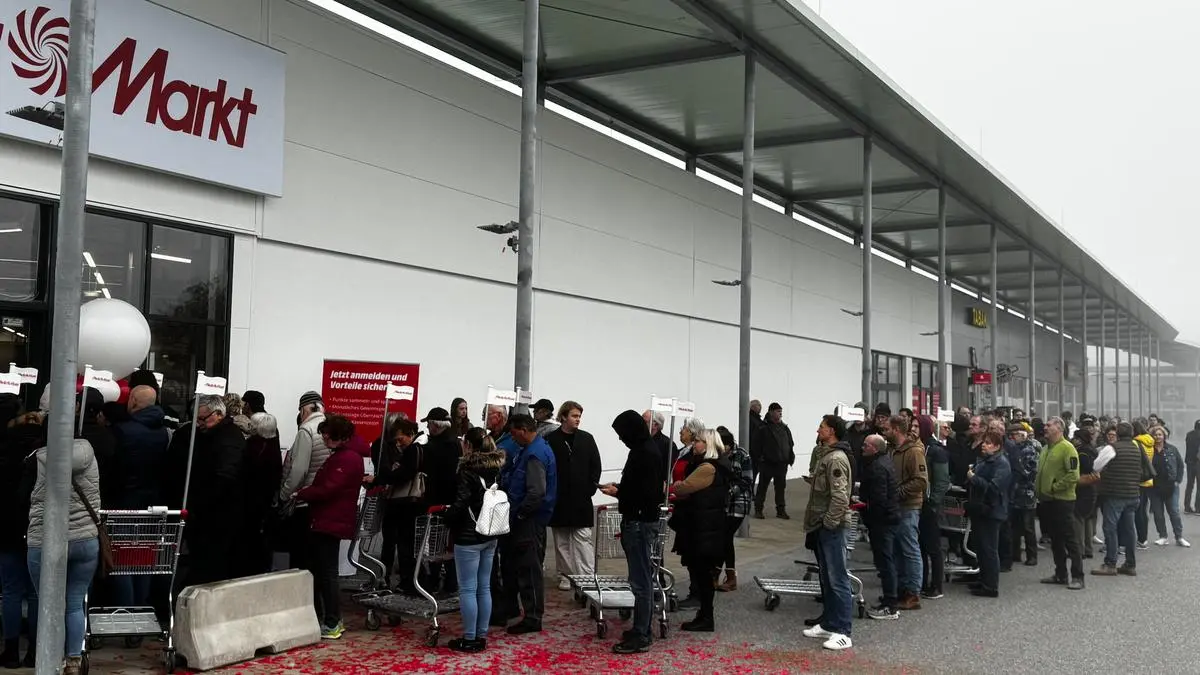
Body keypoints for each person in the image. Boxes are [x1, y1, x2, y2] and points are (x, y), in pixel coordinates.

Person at [25, 430, 102, 675]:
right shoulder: (89, 453)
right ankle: (73, 661)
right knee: (74, 603)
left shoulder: (36, 460)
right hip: (85, 540)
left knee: (48, 603)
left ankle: (50, 659)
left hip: (45, 540)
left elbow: (22, 498)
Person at [601, 410, 668, 655]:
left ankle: (642, 633)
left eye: (621, 434)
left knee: (641, 582)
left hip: (639, 522)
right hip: (639, 520)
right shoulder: (645, 450)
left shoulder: (645, 453)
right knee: (640, 580)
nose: (620, 439)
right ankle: (640, 629)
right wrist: (621, 488)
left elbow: (646, 493)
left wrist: (619, 493)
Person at [295, 414, 363, 640]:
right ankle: (330, 619)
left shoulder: (346, 458)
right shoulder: (345, 456)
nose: (323, 436)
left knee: (327, 573)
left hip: (328, 521)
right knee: (326, 571)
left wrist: (301, 493)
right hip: (330, 519)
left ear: (338, 435)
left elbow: (327, 489)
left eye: (326, 433)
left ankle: (332, 621)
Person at [445, 428, 507, 653]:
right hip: (491, 533)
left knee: (468, 588)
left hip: (469, 535)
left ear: (469, 446)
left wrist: (447, 517)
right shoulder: (496, 470)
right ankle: (481, 634)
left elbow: (461, 503)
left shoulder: (467, 471)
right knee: (484, 586)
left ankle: (469, 637)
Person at [495, 414, 558, 635]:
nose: (513, 439)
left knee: (529, 568)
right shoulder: (534, 449)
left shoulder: (534, 454)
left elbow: (536, 492)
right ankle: (517, 608)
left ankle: (532, 616)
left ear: (523, 429)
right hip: (526, 518)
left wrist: (520, 514)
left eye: (513, 434)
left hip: (529, 521)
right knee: (518, 565)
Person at [110, 384, 170, 608]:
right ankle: (142, 608)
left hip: (125, 503)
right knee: (144, 559)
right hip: (153, 504)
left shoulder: (122, 430)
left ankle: (126, 610)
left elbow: (117, 469)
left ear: (133, 401)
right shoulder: (165, 433)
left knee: (123, 560)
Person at [178, 395, 246, 586]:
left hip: (217, 515)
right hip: (210, 512)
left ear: (218, 415)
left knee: (210, 566)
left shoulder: (228, 439)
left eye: (202, 419)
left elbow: (224, 478)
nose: (198, 424)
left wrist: (201, 505)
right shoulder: (211, 436)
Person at [801, 415, 854, 651]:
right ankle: (829, 623)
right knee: (827, 578)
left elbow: (840, 497)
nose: (818, 430)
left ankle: (843, 630)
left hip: (832, 526)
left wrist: (830, 523)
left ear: (831, 431)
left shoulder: (836, 459)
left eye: (821, 427)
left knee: (838, 578)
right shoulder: (826, 455)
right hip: (822, 525)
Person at [669, 429, 730, 632]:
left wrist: (679, 485)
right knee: (701, 572)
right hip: (706, 526)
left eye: (698, 441)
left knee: (702, 573)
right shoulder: (714, 465)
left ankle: (706, 615)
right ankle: (704, 614)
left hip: (703, 528)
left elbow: (683, 488)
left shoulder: (707, 467)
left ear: (709, 444)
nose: (694, 444)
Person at [0, 401, 40, 669]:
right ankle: (36, 649)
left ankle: (11, 649)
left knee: (11, 591)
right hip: (38, 525)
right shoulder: (45, 452)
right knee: (37, 592)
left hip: (7, 526)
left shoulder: (3, 449)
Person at [546, 401, 601, 591]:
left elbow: (596, 465)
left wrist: (590, 488)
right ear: (563, 417)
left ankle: (586, 576)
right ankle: (565, 576)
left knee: (583, 538)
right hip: (560, 498)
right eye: (574, 416)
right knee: (561, 540)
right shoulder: (552, 439)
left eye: (579, 416)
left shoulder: (586, 439)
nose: (577, 420)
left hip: (581, 498)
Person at [374, 417, 427, 593]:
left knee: (405, 542)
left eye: (400, 439)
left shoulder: (414, 450)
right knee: (407, 542)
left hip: (405, 503)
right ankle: (409, 579)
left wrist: (383, 477)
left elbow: (404, 474)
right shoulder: (418, 447)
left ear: (410, 434)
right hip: (409, 504)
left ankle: (408, 581)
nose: (398, 443)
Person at [278, 391, 329, 572]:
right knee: (317, 559)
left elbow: (299, 470)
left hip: (304, 501)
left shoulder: (306, 430)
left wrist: (284, 495)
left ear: (303, 410)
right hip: (322, 500)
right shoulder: (328, 428)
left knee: (300, 557)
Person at [1092, 422, 1150, 577]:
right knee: (1130, 529)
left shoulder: (1112, 448)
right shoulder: (1137, 447)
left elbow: (1096, 466)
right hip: (1133, 494)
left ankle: (1110, 563)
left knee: (1110, 529)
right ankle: (1130, 564)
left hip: (1115, 494)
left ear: (1117, 433)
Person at [1036, 417, 1084, 590]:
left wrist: (1055, 487)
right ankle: (1060, 574)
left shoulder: (1067, 448)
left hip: (1063, 501)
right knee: (1055, 540)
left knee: (1070, 539)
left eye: (1049, 425)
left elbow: (1073, 475)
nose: (1045, 427)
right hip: (1047, 501)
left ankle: (1078, 576)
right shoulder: (1045, 448)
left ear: (1059, 428)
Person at [886, 414, 928, 610]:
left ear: (896, 429)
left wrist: (898, 492)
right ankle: (900, 589)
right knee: (897, 549)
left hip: (909, 506)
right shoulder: (892, 450)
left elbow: (921, 480)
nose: (884, 432)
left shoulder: (913, 452)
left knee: (910, 549)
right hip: (895, 507)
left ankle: (913, 593)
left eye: (887, 429)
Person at [966, 431, 1012, 598]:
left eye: (989, 443)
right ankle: (983, 580)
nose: (984, 445)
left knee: (989, 549)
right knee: (981, 548)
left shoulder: (1002, 463)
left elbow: (993, 488)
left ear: (997, 446)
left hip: (992, 510)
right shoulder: (985, 460)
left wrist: (973, 478)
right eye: (984, 442)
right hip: (981, 509)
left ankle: (991, 586)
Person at [859, 434, 899, 620]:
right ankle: (889, 598)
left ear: (874, 448)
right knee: (885, 561)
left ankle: (891, 605)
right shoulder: (883, 462)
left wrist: (865, 509)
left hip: (882, 521)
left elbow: (879, 500)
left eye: (866, 445)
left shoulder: (878, 467)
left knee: (885, 561)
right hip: (885, 519)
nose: (862, 447)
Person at [423, 406, 463, 591]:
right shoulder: (455, 443)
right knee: (449, 543)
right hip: (452, 500)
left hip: (437, 499)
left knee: (436, 543)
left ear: (436, 425)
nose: (428, 428)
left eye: (429, 424)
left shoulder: (434, 447)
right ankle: (451, 581)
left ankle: (433, 580)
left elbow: (431, 472)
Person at [239, 412, 283, 577]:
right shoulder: (274, 446)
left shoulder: (251, 447)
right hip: (266, 500)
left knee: (250, 538)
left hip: (250, 500)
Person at [715, 426, 752, 592]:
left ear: (729, 445)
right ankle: (726, 576)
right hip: (722, 503)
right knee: (724, 539)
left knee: (724, 537)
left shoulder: (742, 455)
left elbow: (747, 481)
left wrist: (729, 491)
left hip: (738, 503)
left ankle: (723, 576)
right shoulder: (718, 455)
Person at [917, 415, 950, 599]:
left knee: (934, 547)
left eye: (916, 426)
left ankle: (937, 585)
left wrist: (933, 502)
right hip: (920, 504)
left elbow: (942, 480)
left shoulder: (936, 451)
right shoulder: (919, 447)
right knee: (921, 546)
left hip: (931, 506)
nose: (913, 429)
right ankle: (922, 582)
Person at [753, 402, 795, 520]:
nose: (780, 413)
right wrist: (761, 458)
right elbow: (756, 445)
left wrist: (790, 456)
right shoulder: (763, 427)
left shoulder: (784, 427)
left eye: (781, 411)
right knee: (762, 487)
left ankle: (781, 511)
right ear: (771, 412)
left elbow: (790, 443)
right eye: (777, 411)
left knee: (780, 488)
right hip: (767, 463)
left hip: (782, 464)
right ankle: (758, 510)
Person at [1148, 425, 1188, 547]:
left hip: (1171, 486)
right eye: (1155, 434)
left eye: (1160, 434)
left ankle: (1179, 536)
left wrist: (1178, 481)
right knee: (1158, 513)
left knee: (1174, 512)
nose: (1158, 437)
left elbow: (1181, 466)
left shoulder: (1172, 449)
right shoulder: (1149, 450)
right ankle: (1163, 536)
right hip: (1154, 487)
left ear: (1164, 436)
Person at [1006, 423, 1040, 566]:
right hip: (1014, 492)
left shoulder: (1029, 450)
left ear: (1022, 435)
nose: (1012, 438)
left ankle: (1032, 555)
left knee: (1028, 527)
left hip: (1026, 492)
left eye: (1014, 435)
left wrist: (1017, 470)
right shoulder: (1012, 449)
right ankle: (1015, 553)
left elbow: (1030, 472)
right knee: (1014, 526)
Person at [1072, 428, 1099, 559]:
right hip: (1092, 487)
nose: (1073, 440)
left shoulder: (1081, 453)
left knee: (1078, 518)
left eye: (1075, 438)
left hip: (1082, 488)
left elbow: (1084, 469)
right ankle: (1088, 549)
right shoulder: (1093, 449)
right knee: (1088, 518)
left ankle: (1079, 549)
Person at [1133, 419, 1155, 549]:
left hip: (1138, 480)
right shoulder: (1150, 441)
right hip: (1147, 480)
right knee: (1144, 510)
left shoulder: (1136, 442)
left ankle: (1141, 538)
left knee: (1138, 511)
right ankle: (1144, 538)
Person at [642, 409, 678, 478]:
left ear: (655, 425)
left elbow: (667, 472)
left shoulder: (668, 445)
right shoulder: (642, 441)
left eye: (644, 422)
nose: (640, 424)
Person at [1185, 420, 1200, 514]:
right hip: (1198, 463)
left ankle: (1187, 506)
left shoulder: (1189, 434)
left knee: (1189, 485)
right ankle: (1198, 508)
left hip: (1189, 462)